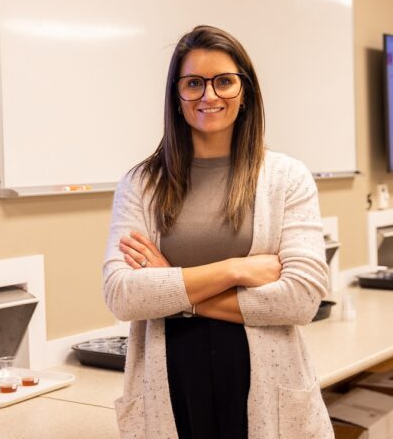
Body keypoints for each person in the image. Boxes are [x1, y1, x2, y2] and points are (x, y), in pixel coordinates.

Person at [102, 25, 333, 438]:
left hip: (265, 391)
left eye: (224, 81)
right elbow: (122, 295)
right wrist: (234, 270)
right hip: (171, 390)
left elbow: (302, 300)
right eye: (194, 84)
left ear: (244, 92)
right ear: (177, 96)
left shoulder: (286, 178)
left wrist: (173, 288)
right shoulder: (140, 183)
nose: (209, 96)